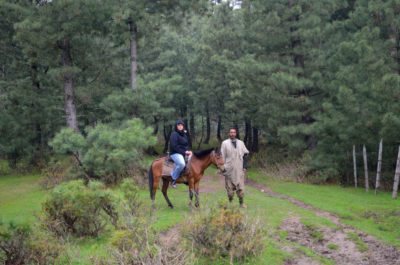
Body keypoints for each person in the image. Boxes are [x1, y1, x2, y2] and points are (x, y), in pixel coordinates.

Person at [221, 127, 249, 208]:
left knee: (241, 188)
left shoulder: (241, 143)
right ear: (229, 133)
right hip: (229, 170)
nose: (232, 134)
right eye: (231, 132)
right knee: (229, 190)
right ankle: (230, 203)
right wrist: (222, 168)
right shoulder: (225, 143)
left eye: (234, 132)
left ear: (236, 133)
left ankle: (241, 204)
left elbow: (245, 155)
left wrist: (245, 167)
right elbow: (222, 157)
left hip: (239, 169)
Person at [169, 120, 192, 188]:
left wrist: (188, 151)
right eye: (178, 125)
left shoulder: (184, 135)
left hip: (183, 153)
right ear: (176, 126)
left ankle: (187, 178)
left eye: (181, 125)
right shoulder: (174, 134)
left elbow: (185, 145)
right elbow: (174, 146)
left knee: (193, 161)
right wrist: (184, 152)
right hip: (175, 153)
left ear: (183, 126)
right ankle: (173, 179)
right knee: (182, 164)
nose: (180, 126)